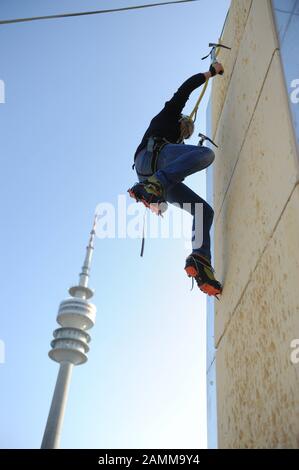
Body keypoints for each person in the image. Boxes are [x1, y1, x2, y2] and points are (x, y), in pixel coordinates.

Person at [128, 63, 224, 298]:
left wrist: (157, 202)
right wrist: (211, 73)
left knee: (203, 211)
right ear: (181, 120)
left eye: (187, 135)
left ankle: (200, 259)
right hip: (151, 158)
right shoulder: (168, 116)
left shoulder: (176, 145)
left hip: (156, 177)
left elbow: (180, 161)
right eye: (185, 129)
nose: (184, 134)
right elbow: (185, 89)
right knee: (205, 154)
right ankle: (154, 186)